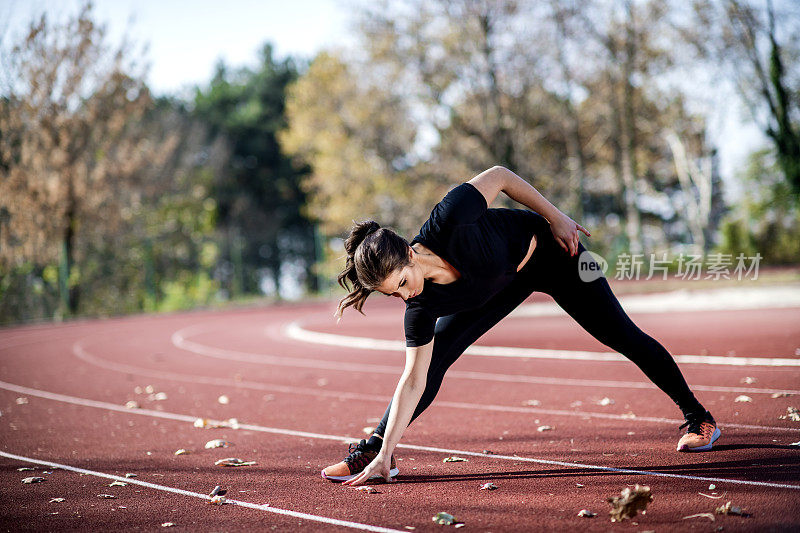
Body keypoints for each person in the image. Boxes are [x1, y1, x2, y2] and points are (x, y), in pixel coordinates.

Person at [321, 166, 720, 486]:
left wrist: (556, 216)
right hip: (499, 285)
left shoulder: (450, 217)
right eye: (394, 295)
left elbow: (501, 175)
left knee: (622, 335)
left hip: (556, 254)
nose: (406, 297)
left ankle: (699, 417)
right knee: (434, 358)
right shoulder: (420, 306)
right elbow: (412, 379)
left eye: (403, 283)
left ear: (409, 253)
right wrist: (390, 443)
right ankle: (378, 452)